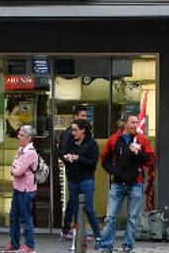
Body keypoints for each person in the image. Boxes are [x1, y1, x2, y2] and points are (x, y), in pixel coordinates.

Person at [98, 113, 153, 253]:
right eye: (133, 122)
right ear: (125, 124)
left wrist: (137, 153)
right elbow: (104, 159)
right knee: (110, 217)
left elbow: (149, 160)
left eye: (137, 122)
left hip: (136, 183)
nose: (135, 125)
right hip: (117, 183)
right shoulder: (114, 139)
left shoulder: (141, 140)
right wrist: (113, 171)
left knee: (133, 218)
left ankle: (128, 246)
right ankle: (106, 245)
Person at [61, 118, 102, 248]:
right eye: (72, 130)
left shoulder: (91, 144)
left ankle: (98, 236)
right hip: (73, 180)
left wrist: (79, 158)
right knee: (74, 208)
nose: (72, 133)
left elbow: (92, 163)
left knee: (89, 209)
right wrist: (66, 158)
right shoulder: (70, 142)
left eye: (75, 130)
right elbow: (63, 154)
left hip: (86, 180)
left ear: (83, 130)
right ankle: (79, 238)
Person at [57, 104, 91, 238]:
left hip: (82, 171)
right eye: (82, 116)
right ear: (75, 116)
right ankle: (72, 229)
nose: (84, 118)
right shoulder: (68, 133)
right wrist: (70, 161)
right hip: (74, 172)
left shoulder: (85, 131)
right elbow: (62, 152)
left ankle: (70, 229)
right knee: (75, 200)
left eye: (86, 116)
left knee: (76, 200)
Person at [4, 125, 39, 253]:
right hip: (18, 188)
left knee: (26, 218)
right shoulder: (21, 150)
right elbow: (14, 167)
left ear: (29, 138)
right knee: (14, 216)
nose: (18, 137)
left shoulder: (30, 152)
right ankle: (14, 243)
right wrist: (15, 168)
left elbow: (17, 171)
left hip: (26, 189)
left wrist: (14, 169)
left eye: (22, 135)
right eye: (19, 134)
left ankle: (29, 245)